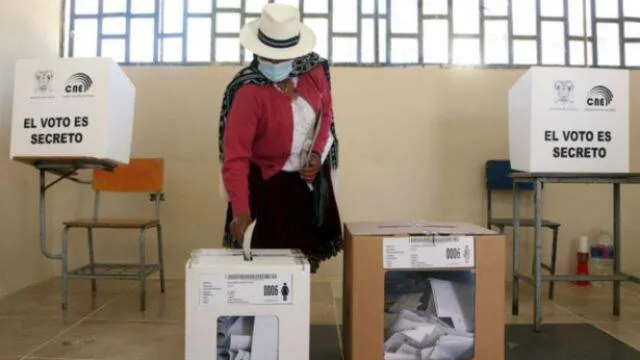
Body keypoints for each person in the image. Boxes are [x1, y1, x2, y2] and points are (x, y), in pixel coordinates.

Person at [218, 3, 342, 273]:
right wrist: (241, 211)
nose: (274, 63)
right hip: (267, 188)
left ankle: (294, 315)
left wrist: (317, 154)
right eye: (269, 56)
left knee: (301, 265)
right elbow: (236, 157)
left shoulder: (314, 72)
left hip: (305, 186)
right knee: (267, 269)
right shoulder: (248, 91)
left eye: (281, 56)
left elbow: (326, 115)